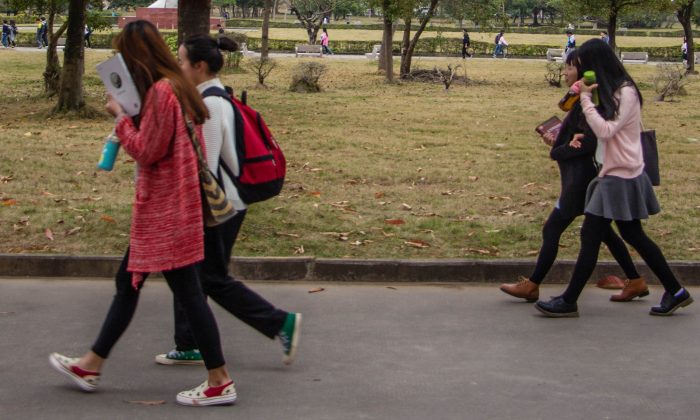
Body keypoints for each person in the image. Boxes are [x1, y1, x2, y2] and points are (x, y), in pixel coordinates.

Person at [48, 20, 238, 407]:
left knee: (185, 293)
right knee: (130, 284)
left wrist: (120, 114)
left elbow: (147, 151)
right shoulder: (176, 88)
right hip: (174, 208)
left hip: (164, 213)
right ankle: (90, 364)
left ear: (136, 55)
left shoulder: (163, 92)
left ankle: (220, 380)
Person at [153, 33, 302, 367]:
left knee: (209, 279)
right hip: (222, 206)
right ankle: (188, 341)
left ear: (199, 66)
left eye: (181, 60)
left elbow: (203, 166)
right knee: (190, 272)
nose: (177, 66)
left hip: (220, 209)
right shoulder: (211, 98)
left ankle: (279, 322)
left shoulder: (210, 105)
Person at [535, 39, 694, 317]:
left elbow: (607, 130)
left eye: (584, 65)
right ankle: (676, 291)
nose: (582, 72)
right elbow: (604, 133)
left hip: (620, 177)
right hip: (616, 173)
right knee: (634, 235)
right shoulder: (613, 91)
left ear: (597, 63)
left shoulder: (626, 92)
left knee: (592, 234)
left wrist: (584, 99)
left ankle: (569, 300)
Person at [500, 50, 646, 303]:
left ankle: (534, 285)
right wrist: (561, 140)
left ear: (583, 71)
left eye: (570, 67)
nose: (565, 72)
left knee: (552, 229)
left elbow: (588, 142)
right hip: (584, 177)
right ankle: (635, 280)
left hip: (582, 181)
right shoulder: (581, 99)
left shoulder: (593, 101)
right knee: (604, 233)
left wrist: (558, 150)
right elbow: (576, 138)